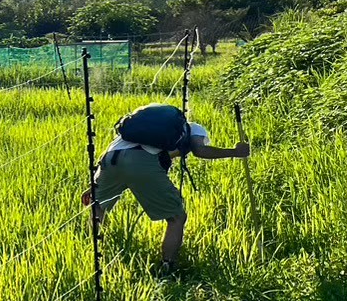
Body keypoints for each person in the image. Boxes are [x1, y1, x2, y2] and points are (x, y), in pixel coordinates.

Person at [86, 103, 250, 273]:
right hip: (142, 162)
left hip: (111, 158)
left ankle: (97, 255)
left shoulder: (140, 127)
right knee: (176, 217)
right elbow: (200, 151)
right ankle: (168, 267)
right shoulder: (194, 128)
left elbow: (113, 148)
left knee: (97, 206)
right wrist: (235, 152)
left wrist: (94, 182)